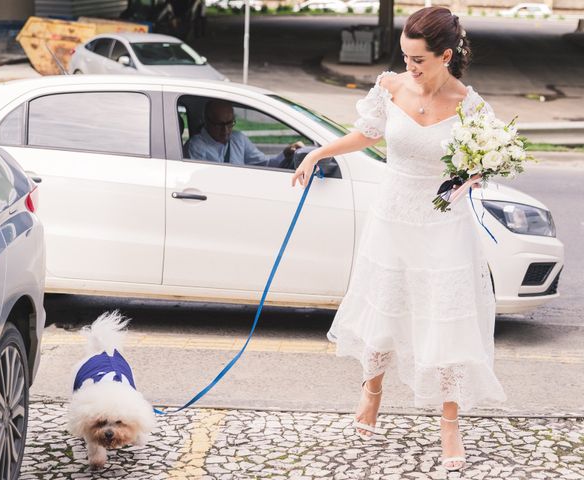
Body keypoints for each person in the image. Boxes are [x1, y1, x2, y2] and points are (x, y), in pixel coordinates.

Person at [292, 7, 506, 472]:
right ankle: (371, 393)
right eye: (405, 56)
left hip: (443, 224)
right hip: (391, 217)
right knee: (384, 306)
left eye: (418, 59)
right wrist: (318, 153)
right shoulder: (389, 87)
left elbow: (486, 163)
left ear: (445, 55)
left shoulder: (470, 105)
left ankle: (450, 425)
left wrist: (473, 176)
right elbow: (365, 134)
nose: (408, 65)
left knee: (444, 319)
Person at [187, 100, 303, 167]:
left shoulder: (238, 139)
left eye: (230, 123)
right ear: (207, 121)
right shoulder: (196, 147)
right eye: (219, 125)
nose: (226, 130)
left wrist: (285, 154)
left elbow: (264, 163)